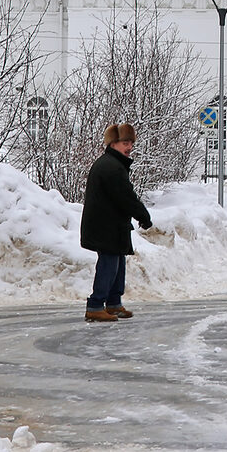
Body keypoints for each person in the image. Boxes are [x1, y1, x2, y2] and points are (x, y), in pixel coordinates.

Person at [80, 123, 154, 323]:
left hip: (112, 225)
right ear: (113, 144)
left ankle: (113, 303)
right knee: (109, 265)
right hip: (106, 227)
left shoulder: (112, 163)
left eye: (130, 142)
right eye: (124, 143)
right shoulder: (111, 167)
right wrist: (143, 216)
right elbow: (125, 197)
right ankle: (95, 305)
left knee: (117, 263)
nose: (129, 147)